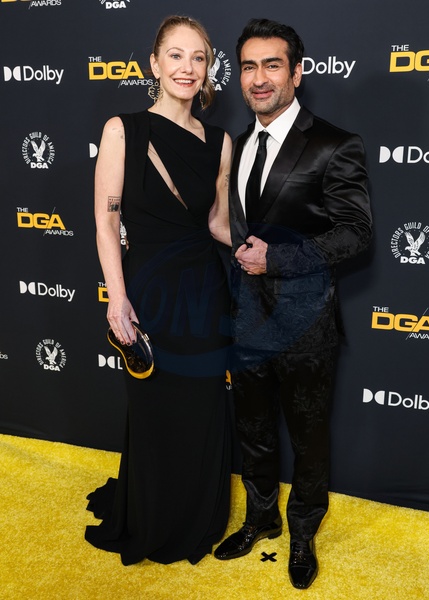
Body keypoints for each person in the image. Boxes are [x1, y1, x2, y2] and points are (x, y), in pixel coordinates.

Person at [214, 18, 372, 589]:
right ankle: (262, 519)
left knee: (307, 437)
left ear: (297, 73)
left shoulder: (334, 143)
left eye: (272, 65)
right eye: (248, 66)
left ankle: (303, 530)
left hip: (307, 326)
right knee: (253, 429)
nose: (259, 78)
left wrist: (277, 259)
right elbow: (233, 227)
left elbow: (356, 232)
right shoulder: (236, 145)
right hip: (245, 320)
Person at [85, 15, 232, 566]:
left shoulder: (219, 142)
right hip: (147, 288)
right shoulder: (122, 130)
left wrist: (275, 245)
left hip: (203, 291)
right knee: (154, 408)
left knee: (201, 407)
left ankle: (196, 517)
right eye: (176, 55)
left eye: (198, 57)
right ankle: (151, 518)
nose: (187, 68)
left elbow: (217, 223)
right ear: (154, 63)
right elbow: (106, 223)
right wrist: (117, 297)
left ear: (208, 68)